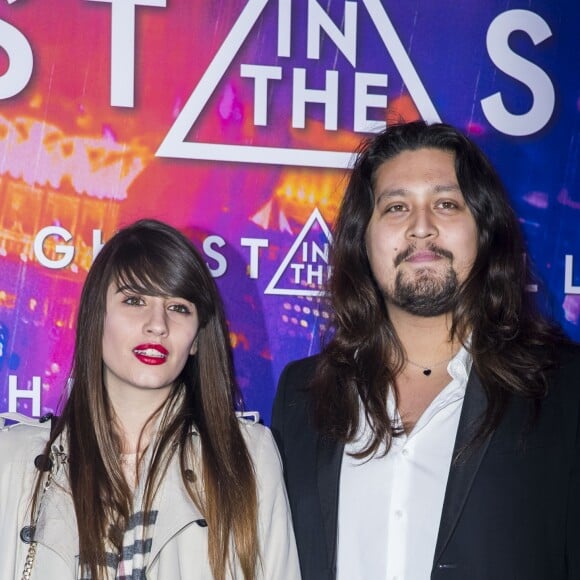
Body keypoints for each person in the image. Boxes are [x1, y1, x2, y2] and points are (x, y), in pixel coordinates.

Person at [271, 121, 580, 580]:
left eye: (446, 203)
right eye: (396, 207)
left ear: (485, 229)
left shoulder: (564, 391)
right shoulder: (303, 394)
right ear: (363, 239)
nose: (421, 227)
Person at [0, 219, 300, 580]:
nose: (157, 324)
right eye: (134, 300)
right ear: (98, 320)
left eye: (178, 308)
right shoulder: (15, 459)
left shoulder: (248, 454)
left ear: (196, 338)